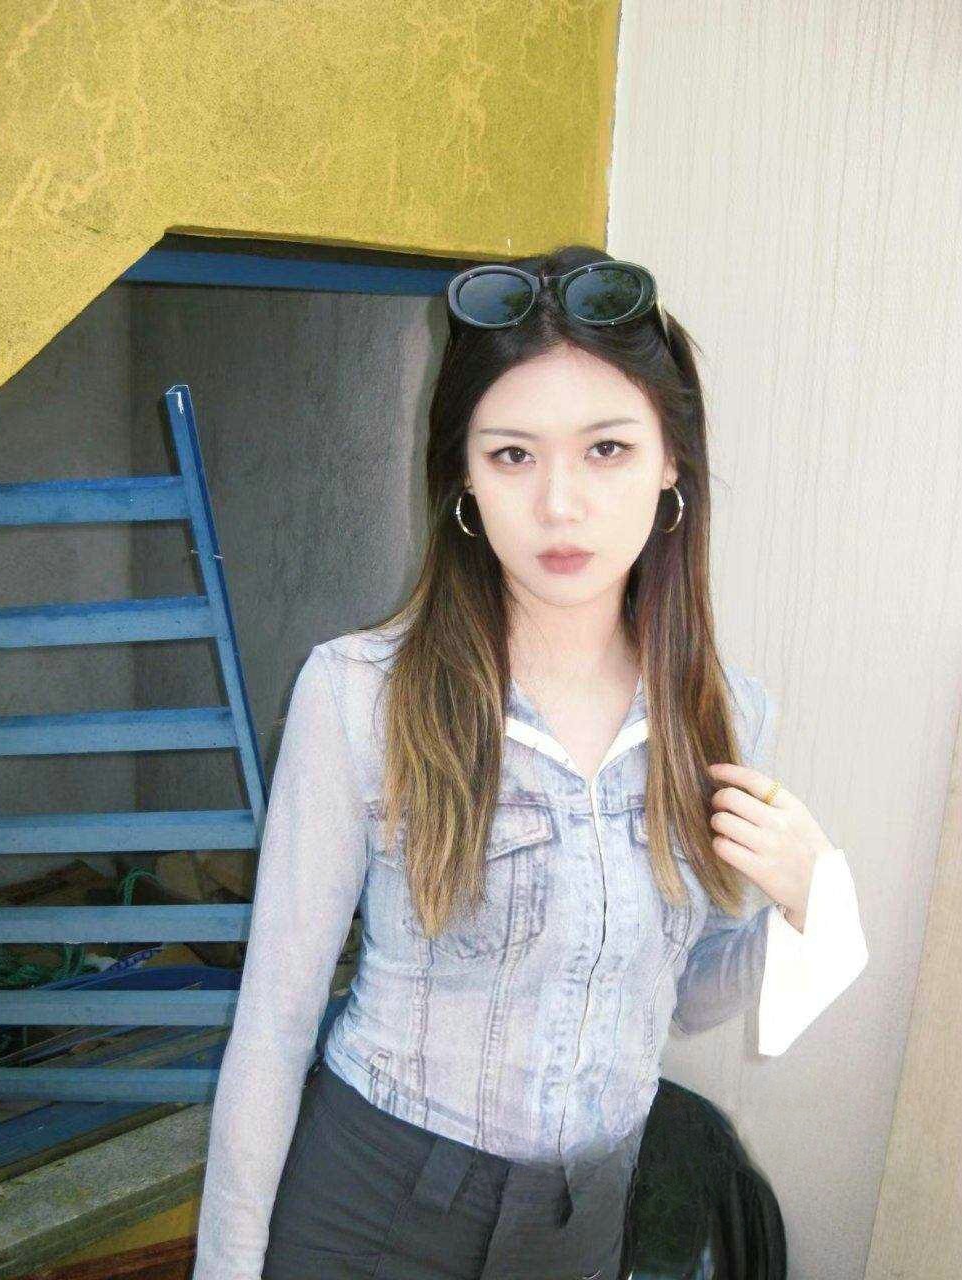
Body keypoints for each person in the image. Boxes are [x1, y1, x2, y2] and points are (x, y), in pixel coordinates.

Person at [190, 245, 868, 1280]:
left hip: (580, 1224)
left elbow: (688, 998)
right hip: (371, 1208)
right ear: (463, 473)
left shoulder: (723, 718)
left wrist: (810, 900)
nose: (559, 503)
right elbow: (274, 1024)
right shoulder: (358, 695)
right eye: (512, 454)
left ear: (670, 461)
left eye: (606, 449)